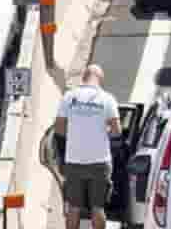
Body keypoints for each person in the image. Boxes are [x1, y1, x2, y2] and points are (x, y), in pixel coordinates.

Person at [54, 64, 121, 229]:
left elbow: (59, 129)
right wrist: (103, 131)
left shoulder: (69, 97)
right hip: (100, 161)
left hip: (74, 161)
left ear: (83, 77)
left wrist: (75, 137)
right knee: (98, 208)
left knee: (74, 208)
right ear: (100, 80)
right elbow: (117, 131)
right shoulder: (107, 99)